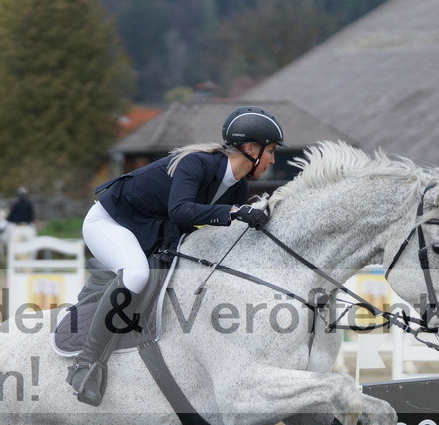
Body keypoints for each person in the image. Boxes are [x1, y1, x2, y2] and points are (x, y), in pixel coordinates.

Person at [66, 105, 285, 406]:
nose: (273, 160)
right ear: (250, 149)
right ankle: (87, 364)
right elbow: (180, 210)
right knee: (137, 275)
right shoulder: (197, 164)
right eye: (270, 151)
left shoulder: (238, 188)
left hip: (149, 232)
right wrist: (235, 212)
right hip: (110, 222)